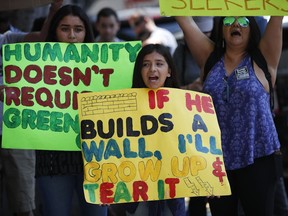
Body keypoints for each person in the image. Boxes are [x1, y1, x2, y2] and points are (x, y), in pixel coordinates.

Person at [175, 15, 283, 216]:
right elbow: (184, 19)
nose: (235, 24)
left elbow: (277, 16)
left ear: (251, 28)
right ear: (221, 28)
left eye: (243, 21)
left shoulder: (263, 58)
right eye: (229, 20)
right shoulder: (210, 57)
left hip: (258, 157)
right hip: (218, 160)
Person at [35, 4, 107, 216]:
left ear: (87, 32)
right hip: (52, 159)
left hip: (96, 156)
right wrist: (13, 94)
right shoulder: (36, 66)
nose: (72, 35)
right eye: (65, 29)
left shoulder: (106, 67)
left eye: (78, 29)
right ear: (54, 32)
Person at [0, 1, 63, 216]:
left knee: (23, 203)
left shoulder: (8, 39)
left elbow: (41, 39)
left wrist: (54, 9)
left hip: (16, 132)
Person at [120, 43, 184, 216]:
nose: (152, 69)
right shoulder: (123, 107)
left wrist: (210, 180)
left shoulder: (186, 106)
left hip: (173, 195)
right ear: (139, 71)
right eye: (146, 64)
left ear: (169, 71)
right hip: (137, 195)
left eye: (159, 63)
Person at [173, 16, 214, 216]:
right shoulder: (179, 54)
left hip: (216, 126)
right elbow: (168, 92)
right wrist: (192, 88)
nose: (204, 38)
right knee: (196, 184)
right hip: (190, 128)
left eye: (208, 33)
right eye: (200, 33)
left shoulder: (221, 52)